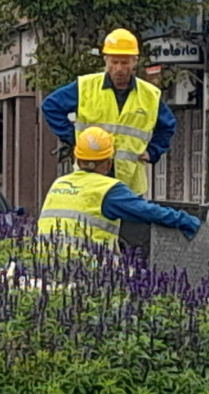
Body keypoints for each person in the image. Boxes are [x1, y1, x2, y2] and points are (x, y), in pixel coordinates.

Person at [41, 28, 177, 195]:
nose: (118, 68)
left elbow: (168, 126)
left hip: (129, 183)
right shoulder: (86, 86)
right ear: (106, 60)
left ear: (134, 62)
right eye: (114, 62)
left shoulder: (149, 95)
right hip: (90, 179)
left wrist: (153, 151)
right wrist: (74, 139)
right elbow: (50, 106)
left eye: (124, 62)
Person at [38, 127, 200, 248]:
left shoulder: (59, 184)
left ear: (78, 160)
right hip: (88, 269)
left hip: (43, 265)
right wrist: (185, 221)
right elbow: (148, 212)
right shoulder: (108, 190)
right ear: (109, 163)